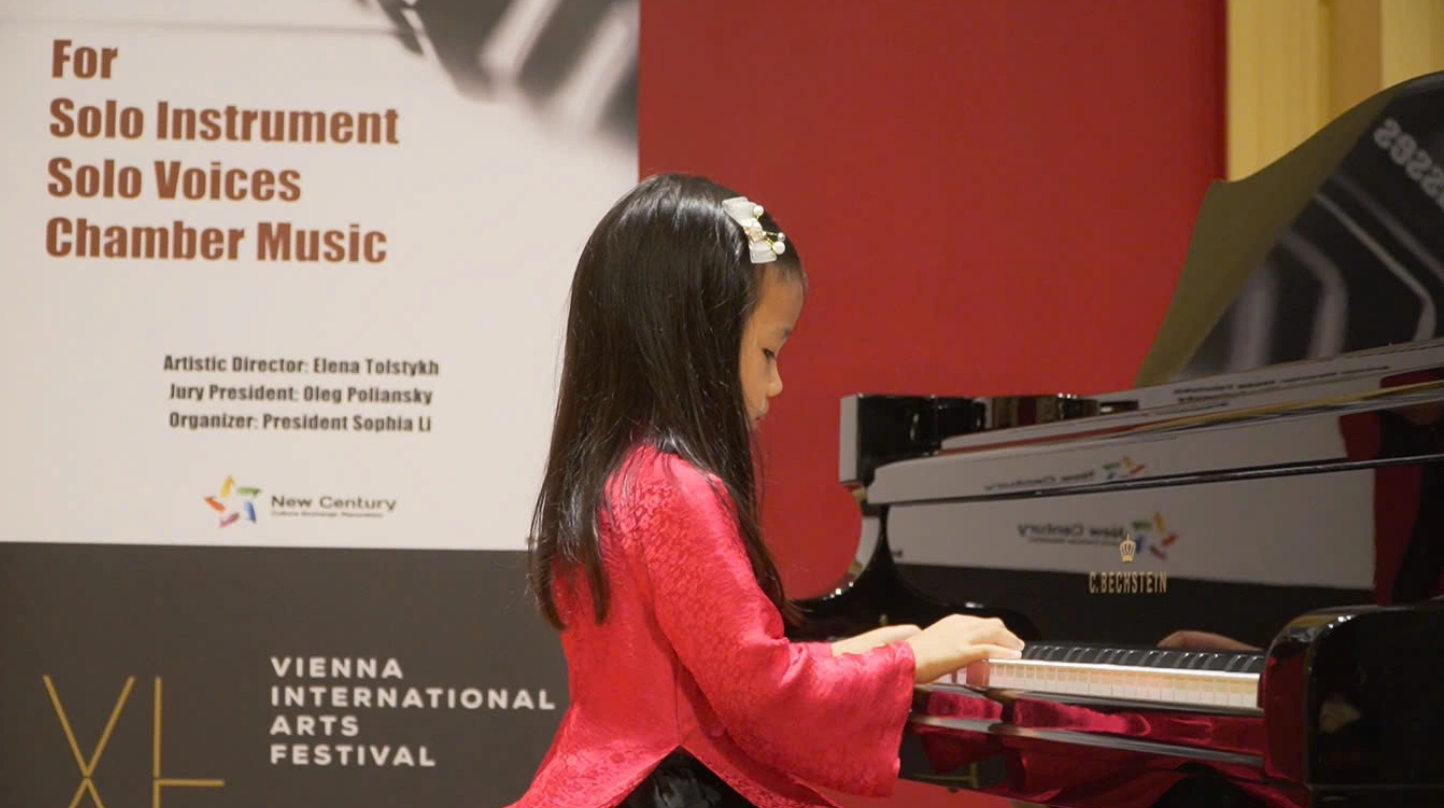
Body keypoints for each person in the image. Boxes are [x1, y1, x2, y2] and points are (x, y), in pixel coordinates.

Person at [509, 173, 1025, 808]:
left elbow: (705, 683)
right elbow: (758, 694)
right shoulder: (674, 487)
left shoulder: (615, 476)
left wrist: (883, 648)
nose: (777, 385)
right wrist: (909, 662)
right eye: (767, 352)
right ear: (693, 345)